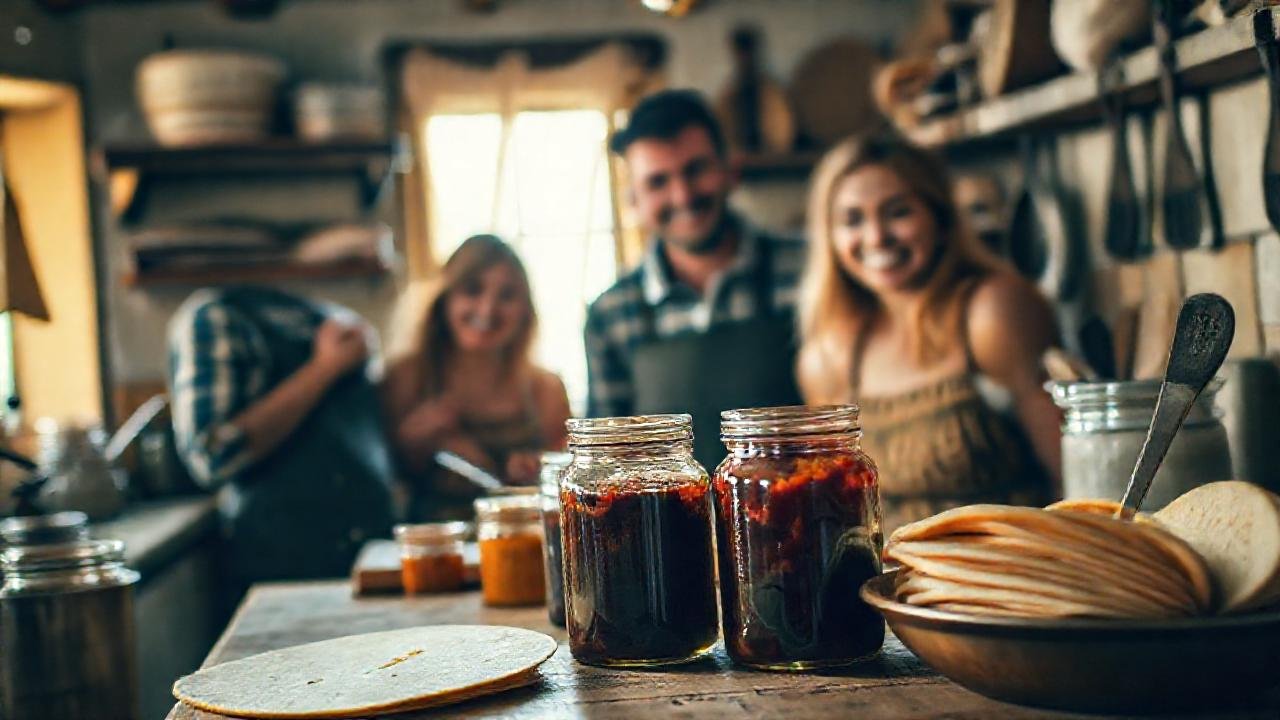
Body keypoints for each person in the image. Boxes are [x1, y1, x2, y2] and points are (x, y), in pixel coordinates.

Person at [796, 136, 1061, 532]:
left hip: (1009, 562)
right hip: (886, 570)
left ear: (940, 220)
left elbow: (1070, 476)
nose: (876, 237)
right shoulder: (827, 356)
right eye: (852, 220)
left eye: (898, 212)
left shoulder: (992, 310)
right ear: (830, 238)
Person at [584, 89, 805, 469]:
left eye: (695, 170)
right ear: (634, 200)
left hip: (799, 501)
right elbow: (607, 463)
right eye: (658, 182)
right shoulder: (610, 315)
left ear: (730, 171)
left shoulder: (807, 271)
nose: (683, 195)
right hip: (667, 511)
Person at [167, 286, 395, 591]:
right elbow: (213, 456)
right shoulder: (214, 318)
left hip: (371, 550)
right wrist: (325, 369)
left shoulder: (334, 316)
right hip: (284, 565)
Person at [384, 235, 571, 520]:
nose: (487, 309)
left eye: (507, 296)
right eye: (472, 290)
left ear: (525, 310)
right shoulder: (406, 377)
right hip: (436, 542)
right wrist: (412, 441)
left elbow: (568, 479)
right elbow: (379, 479)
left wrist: (538, 470)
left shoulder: (546, 388)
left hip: (523, 537)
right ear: (444, 299)